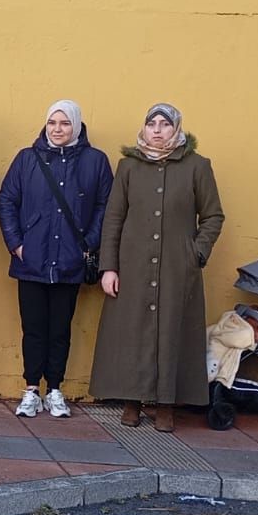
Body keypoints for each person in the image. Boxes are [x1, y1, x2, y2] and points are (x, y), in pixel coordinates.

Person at [91, 103, 224, 433]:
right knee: (132, 331)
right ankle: (132, 401)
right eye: (152, 123)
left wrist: (195, 252)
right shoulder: (128, 167)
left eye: (165, 124)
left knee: (171, 331)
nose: (158, 129)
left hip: (178, 267)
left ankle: (166, 404)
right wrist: (109, 267)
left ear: (176, 129)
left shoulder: (197, 166)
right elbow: (113, 219)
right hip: (132, 265)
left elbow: (212, 216)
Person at [0, 101, 114, 419]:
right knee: (33, 328)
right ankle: (32, 389)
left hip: (70, 261)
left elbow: (106, 206)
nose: (57, 129)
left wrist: (88, 244)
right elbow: (7, 199)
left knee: (60, 329)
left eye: (64, 123)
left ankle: (56, 391)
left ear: (76, 125)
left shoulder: (95, 161)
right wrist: (16, 245)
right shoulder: (27, 159)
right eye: (52, 122)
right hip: (31, 261)